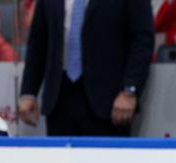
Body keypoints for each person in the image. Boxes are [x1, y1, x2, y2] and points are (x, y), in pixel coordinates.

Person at [17, 0, 154, 136]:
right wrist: (28, 93)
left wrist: (129, 90)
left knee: (104, 158)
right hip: (59, 98)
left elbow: (142, 39)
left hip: (110, 102)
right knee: (62, 157)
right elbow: (38, 41)